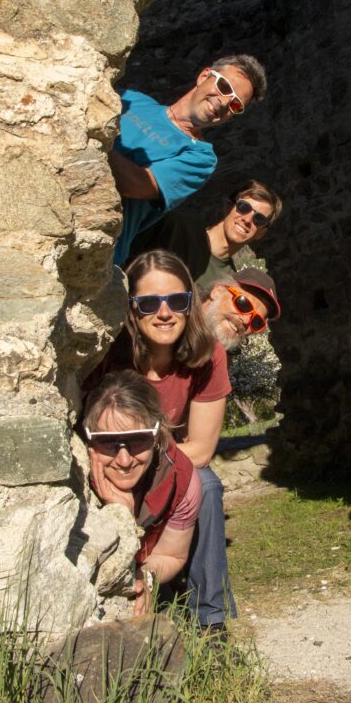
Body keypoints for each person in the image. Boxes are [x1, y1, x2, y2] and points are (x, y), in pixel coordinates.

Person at [83, 249, 235, 630]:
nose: (164, 313)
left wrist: (144, 456)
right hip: (116, 458)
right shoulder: (109, 354)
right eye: (150, 303)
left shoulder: (209, 356)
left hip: (169, 461)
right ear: (132, 309)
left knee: (206, 485)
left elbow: (201, 449)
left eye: (177, 301)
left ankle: (209, 619)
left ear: (190, 304)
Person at [111, 56, 267, 266]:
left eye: (236, 104)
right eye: (224, 86)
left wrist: (95, 142)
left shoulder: (200, 158)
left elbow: (136, 185)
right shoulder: (133, 100)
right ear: (204, 76)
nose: (224, 102)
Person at [82, 369, 202, 616]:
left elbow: (171, 555)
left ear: (156, 436)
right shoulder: (73, 481)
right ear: (89, 440)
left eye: (138, 440)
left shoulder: (180, 477)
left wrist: (145, 577)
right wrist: (119, 514)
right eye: (107, 442)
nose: (124, 460)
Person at [127, 179, 283, 289]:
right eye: (243, 207)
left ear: (261, 233)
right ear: (228, 206)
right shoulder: (176, 227)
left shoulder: (227, 284)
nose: (247, 219)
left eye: (259, 219)